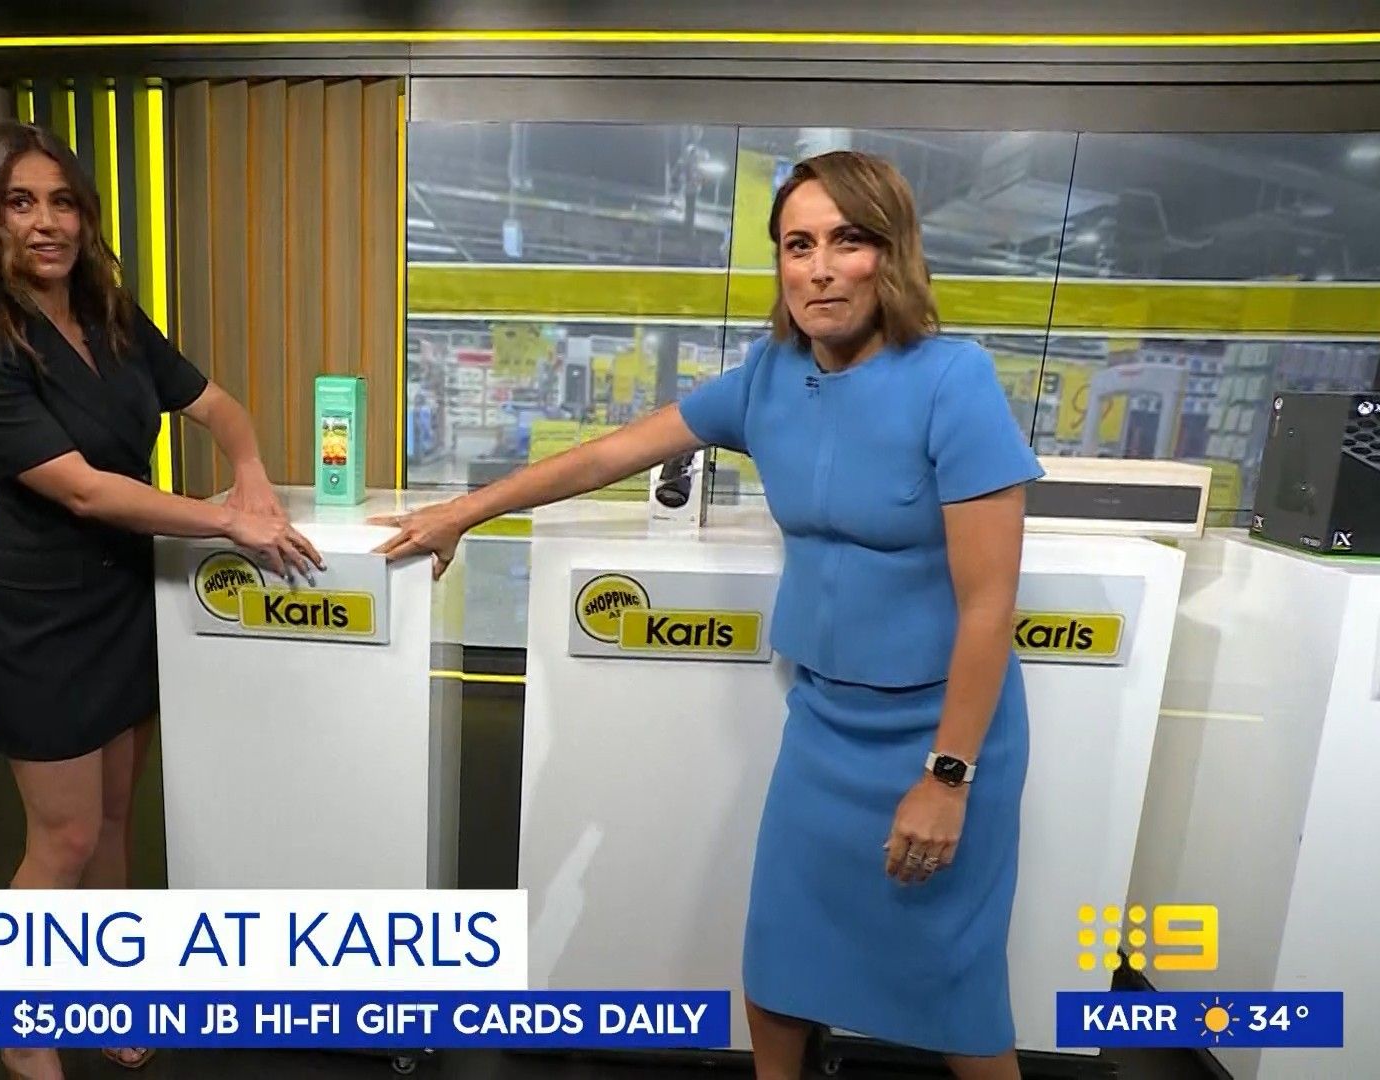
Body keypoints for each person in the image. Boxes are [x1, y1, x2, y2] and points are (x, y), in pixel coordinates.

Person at [373, 150, 1043, 1080]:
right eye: (798, 245)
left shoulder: (953, 381)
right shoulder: (768, 378)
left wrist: (948, 778)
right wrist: (465, 512)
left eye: (846, 241)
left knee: (956, 1001)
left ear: (891, 255)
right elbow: (605, 456)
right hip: (826, 726)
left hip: (942, 732)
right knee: (778, 974)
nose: (819, 268)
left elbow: (988, 606)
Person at [0, 120, 323, 1079]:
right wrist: (226, 522)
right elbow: (81, 489)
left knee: (113, 818)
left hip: (125, 602)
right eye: (21, 202)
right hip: (44, 616)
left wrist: (251, 472)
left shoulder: (109, 315)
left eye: (63, 202)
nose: (47, 223)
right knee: (63, 836)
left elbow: (217, 407)